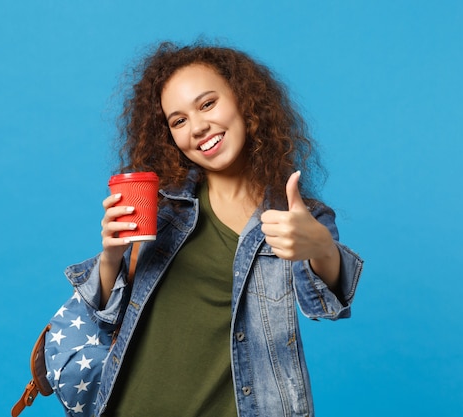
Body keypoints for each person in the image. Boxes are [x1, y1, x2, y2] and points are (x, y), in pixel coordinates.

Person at [65, 41, 363, 417]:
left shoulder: (296, 215)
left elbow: (327, 305)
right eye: (179, 120)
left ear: (245, 102)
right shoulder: (162, 207)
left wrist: (320, 246)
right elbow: (103, 317)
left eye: (207, 104)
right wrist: (111, 257)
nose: (198, 127)